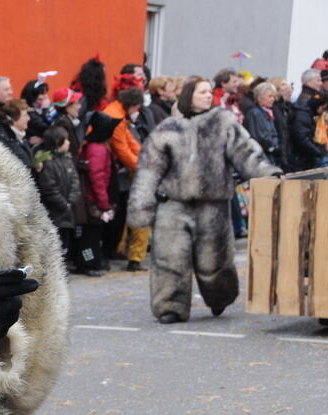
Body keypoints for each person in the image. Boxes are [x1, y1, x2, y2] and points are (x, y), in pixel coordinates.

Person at [128, 76, 282, 324]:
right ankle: (170, 306)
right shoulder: (167, 128)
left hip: (213, 205)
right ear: (189, 95)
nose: (209, 96)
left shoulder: (224, 123)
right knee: (170, 258)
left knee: (215, 260)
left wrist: (267, 172)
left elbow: (246, 152)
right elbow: (149, 170)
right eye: (202, 92)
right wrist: (141, 206)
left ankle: (219, 297)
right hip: (174, 204)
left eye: (210, 92)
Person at [103, 84, 149, 271]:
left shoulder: (118, 114)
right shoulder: (117, 118)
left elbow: (130, 143)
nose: (138, 111)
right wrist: (142, 165)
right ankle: (111, 250)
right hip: (109, 167)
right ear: (132, 104)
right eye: (138, 107)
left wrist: (145, 157)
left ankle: (115, 248)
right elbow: (122, 149)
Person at [79, 112, 123, 276]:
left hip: (94, 199)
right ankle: (89, 263)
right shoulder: (97, 149)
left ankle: (94, 261)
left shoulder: (95, 147)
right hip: (94, 201)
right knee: (91, 235)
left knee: (94, 233)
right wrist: (104, 203)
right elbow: (97, 178)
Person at [35, 126, 81, 266]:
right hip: (55, 211)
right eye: (65, 140)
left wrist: (71, 201)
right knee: (55, 241)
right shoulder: (47, 162)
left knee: (65, 241)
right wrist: (63, 204)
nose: (68, 142)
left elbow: (75, 181)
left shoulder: (68, 160)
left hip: (67, 210)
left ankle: (64, 266)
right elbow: (49, 188)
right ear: (57, 142)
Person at [291, 89, 328, 171]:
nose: (323, 112)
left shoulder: (309, 115)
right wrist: (319, 153)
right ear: (318, 105)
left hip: (306, 156)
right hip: (300, 157)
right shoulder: (303, 116)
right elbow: (302, 138)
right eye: (323, 108)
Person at [243, 81, 281, 166]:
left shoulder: (267, 112)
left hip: (270, 156)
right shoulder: (255, 113)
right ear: (259, 98)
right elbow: (259, 136)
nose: (272, 99)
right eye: (269, 96)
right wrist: (274, 146)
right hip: (261, 159)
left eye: (273, 96)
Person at [0, 98, 34, 170]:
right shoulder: (2, 139)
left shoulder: (21, 136)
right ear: (13, 119)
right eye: (25, 115)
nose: (28, 118)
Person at [271, 76, 296, 172]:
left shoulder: (285, 108)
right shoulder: (276, 108)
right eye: (282, 84)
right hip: (280, 154)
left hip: (287, 153)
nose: (286, 87)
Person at [20, 78, 53, 143]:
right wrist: (45, 110)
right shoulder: (29, 111)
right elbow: (46, 128)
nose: (46, 96)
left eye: (46, 93)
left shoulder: (38, 109)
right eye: (42, 94)